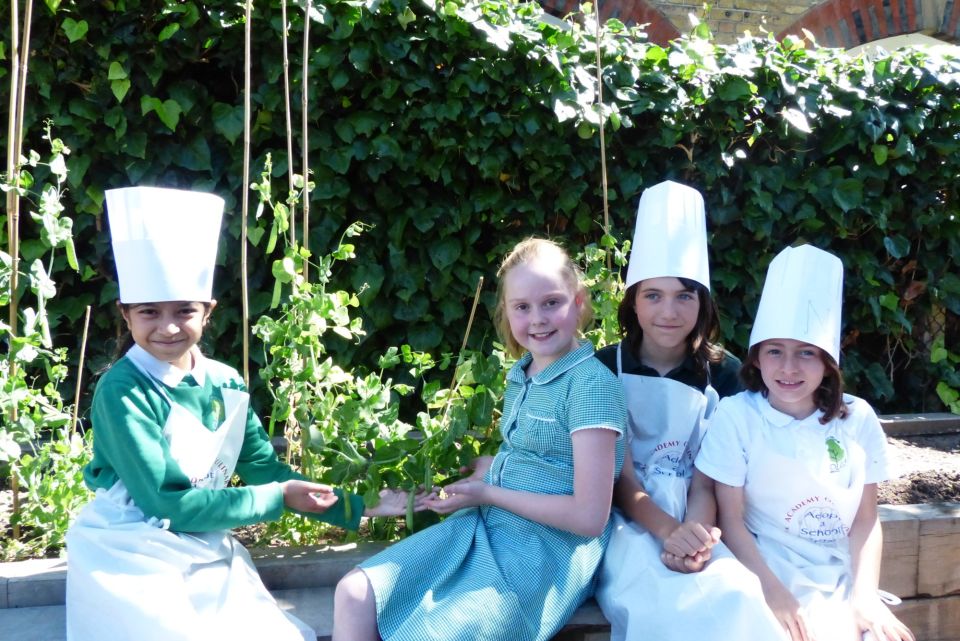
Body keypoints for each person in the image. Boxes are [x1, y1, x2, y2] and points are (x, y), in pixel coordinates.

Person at [66, 186, 416, 641]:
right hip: (130, 547)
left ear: (207, 312)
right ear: (125, 314)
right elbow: (165, 502)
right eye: (149, 312)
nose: (168, 326)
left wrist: (365, 505)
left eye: (184, 311)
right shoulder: (122, 390)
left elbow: (265, 469)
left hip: (202, 537)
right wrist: (278, 496)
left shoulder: (226, 382)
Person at [331, 237, 627, 641]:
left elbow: (589, 517)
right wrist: (481, 474)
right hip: (486, 526)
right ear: (507, 313)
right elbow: (537, 457)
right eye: (522, 307)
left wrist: (488, 493)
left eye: (551, 302)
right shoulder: (522, 373)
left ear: (578, 304)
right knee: (355, 592)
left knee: (437, 633)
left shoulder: (590, 385)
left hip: (545, 551)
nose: (537, 318)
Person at [594, 180, 785, 641]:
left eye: (685, 295)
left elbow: (710, 476)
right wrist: (666, 532)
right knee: (659, 602)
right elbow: (617, 477)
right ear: (633, 303)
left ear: (702, 303)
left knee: (734, 592)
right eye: (653, 295)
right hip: (621, 521)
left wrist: (695, 537)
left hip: (702, 515)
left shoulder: (725, 373)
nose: (669, 311)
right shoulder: (601, 369)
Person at [696, 244, 915, 641]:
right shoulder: (737, 416)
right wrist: (772, 591)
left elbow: (866, 520)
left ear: (828, 361)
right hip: (761, 564)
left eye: (806, 353)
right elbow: (731, 520)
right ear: (757, 358)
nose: (789, 368)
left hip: (839, 572)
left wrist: (865, 597)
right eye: (775, 351)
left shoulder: (859, 418)